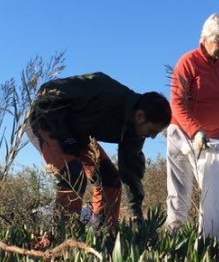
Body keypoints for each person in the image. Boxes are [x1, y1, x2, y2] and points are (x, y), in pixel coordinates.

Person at [26, 72, 171, 227]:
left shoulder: (134, 132)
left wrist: (137, 216)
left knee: (110, 180)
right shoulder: (105, 91)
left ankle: (105, 235)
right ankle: (62, 235)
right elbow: (47, 92)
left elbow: (131, 175)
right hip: (46, 120)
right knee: (74, 174)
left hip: (77, 135)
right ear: (140, 116)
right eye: (152, 131)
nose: (153, 137)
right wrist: (65, 136)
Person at [165, 12, 219, 230]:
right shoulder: (188, 62)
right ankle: (174, 234)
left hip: (216, 137)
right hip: (183, 135)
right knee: (180, 189)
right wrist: (195, 130)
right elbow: (177, 102)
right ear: (204, 38)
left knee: (218, 189)